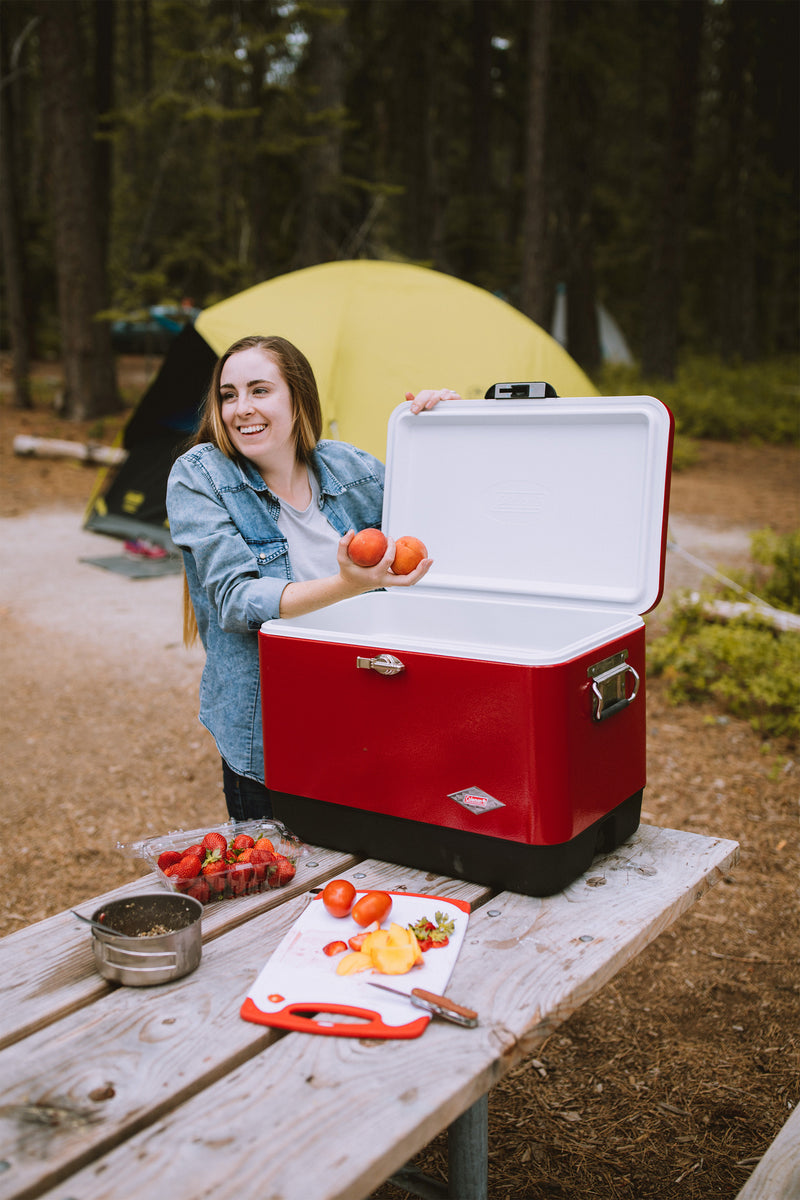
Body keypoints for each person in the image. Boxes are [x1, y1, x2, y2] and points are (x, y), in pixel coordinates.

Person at [166, 333, 460, 822]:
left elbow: (440, 524)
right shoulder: (200, 476)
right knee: (281, 879)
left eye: (260, 390)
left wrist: (444, 429)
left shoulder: (352, 467)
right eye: (229, 395)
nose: (242, 409)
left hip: (370, 717)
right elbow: (237, 601)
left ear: (297, 397)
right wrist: (348, 584)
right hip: (273, 731)